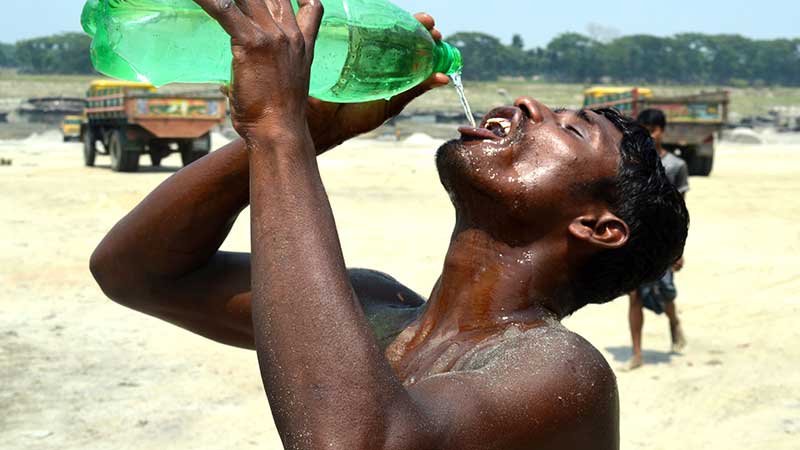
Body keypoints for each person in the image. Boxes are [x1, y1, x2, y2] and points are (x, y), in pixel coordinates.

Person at [90, 2, 688, 449]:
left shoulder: (563, 372)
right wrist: (312, 130)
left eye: (572, 128)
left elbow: (356, 441)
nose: (529, 105)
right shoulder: (377, 307)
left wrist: (277, 129)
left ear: (598, 227)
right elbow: (134, 272)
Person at [626, 108, 690, 371]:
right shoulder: (631, 163)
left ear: (662, 131)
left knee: (666, 292)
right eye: (644, 129)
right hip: (635, 242)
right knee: (634, 297)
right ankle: (637, 353)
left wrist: (678, 250)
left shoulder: (676, 166)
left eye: (653, 129)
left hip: (663, 242)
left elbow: (680, 213)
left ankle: (674, 323)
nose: (649, 135)